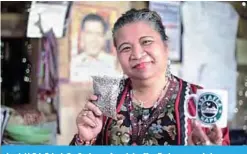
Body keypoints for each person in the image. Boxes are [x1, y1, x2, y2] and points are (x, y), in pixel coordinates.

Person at [69, 9, 230, 145]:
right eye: (126, 48)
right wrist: (83, 139)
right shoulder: (106, 98)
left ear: (166, 47)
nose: (137, 54)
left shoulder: (200, 100)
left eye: (146, 42)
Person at [71, 13, 120, 82]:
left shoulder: (115, 64)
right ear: (82, 36)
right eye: (89, 33)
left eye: (98, 34)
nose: (94, 39)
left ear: (104, 38)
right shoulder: (72, 65)